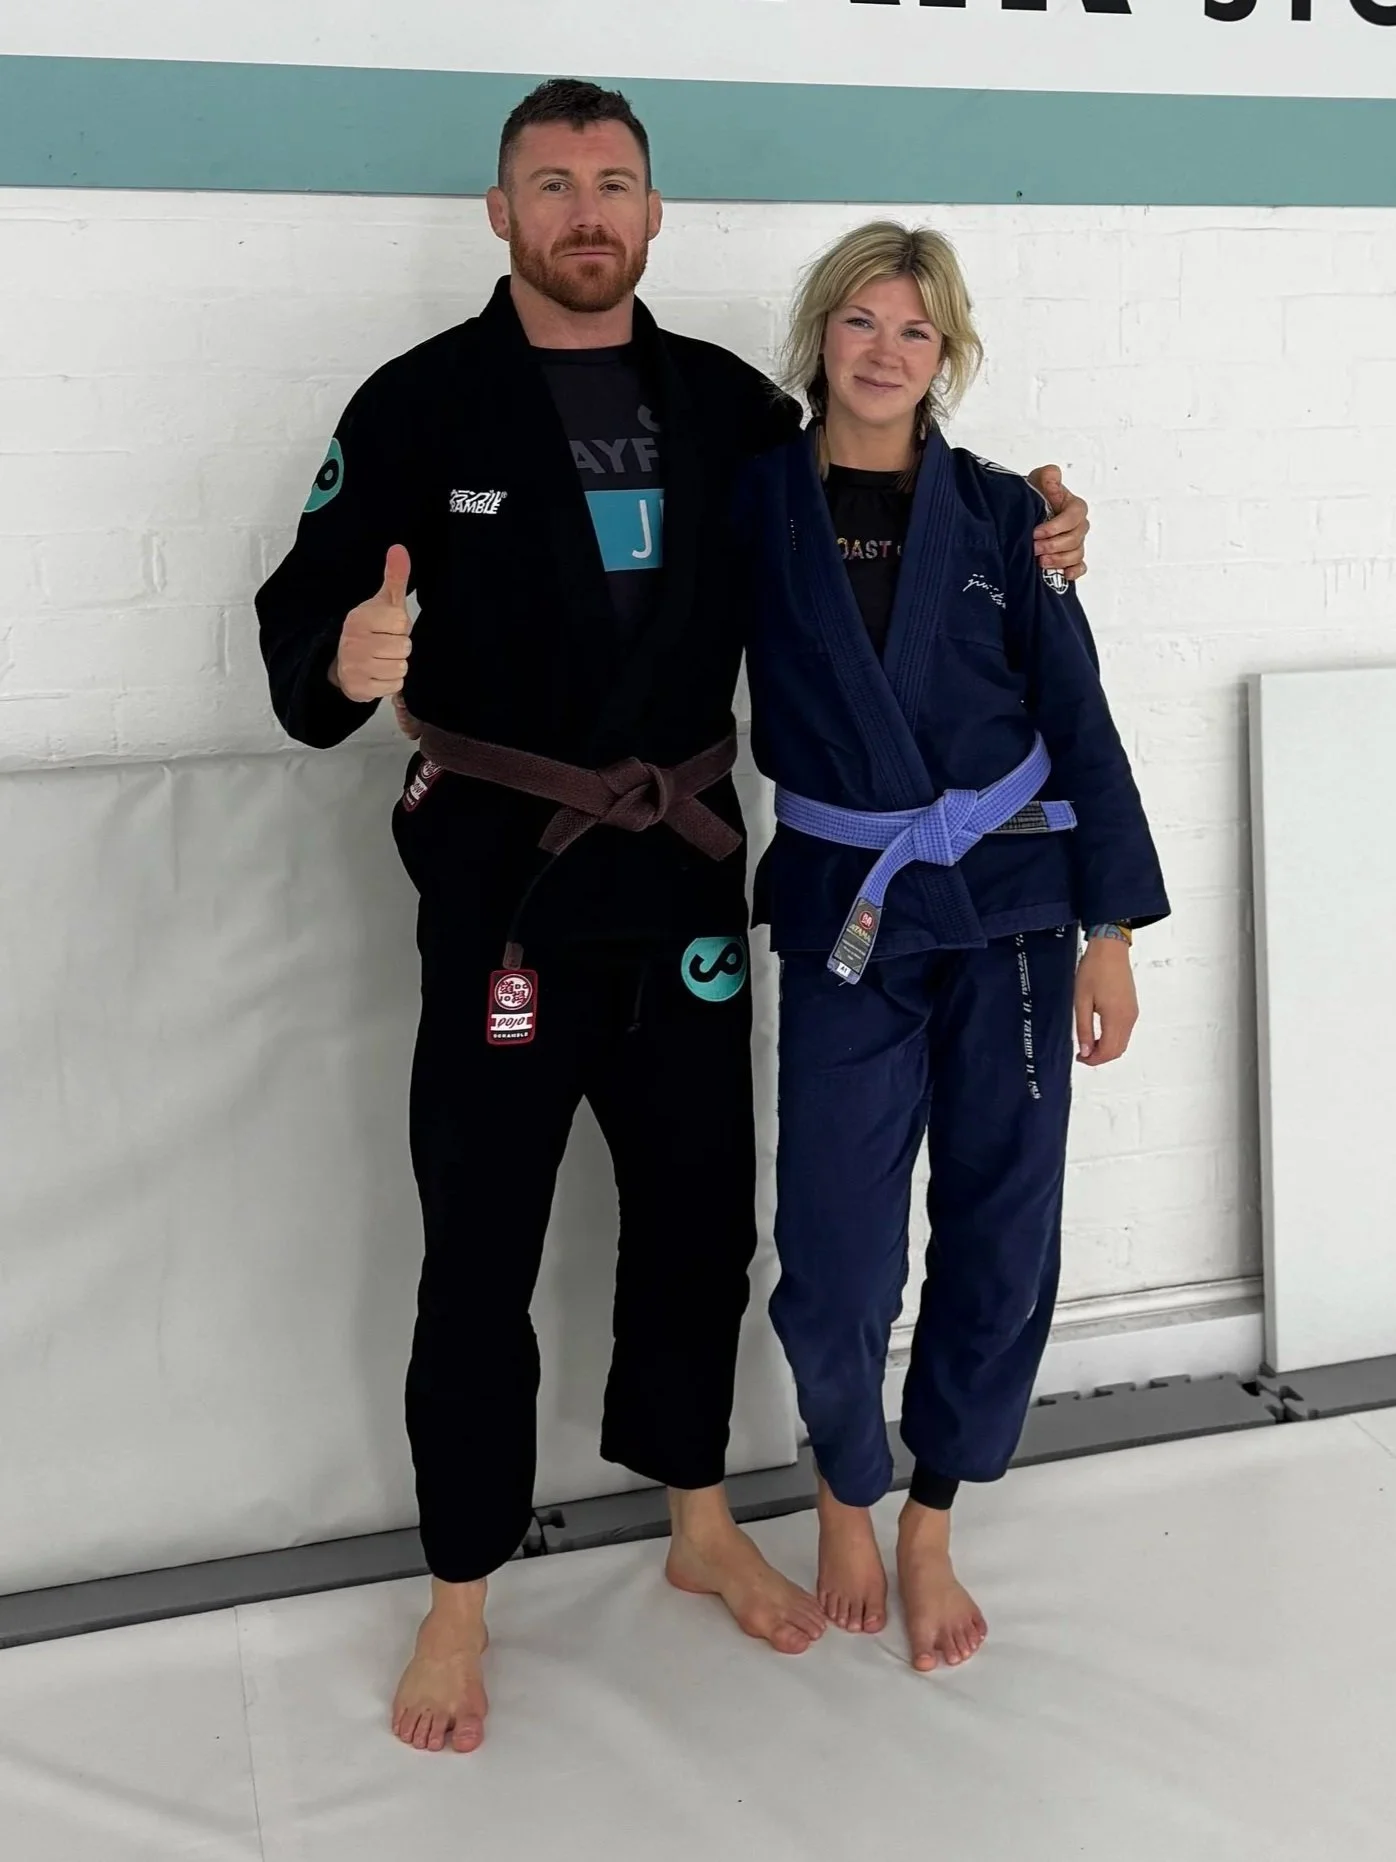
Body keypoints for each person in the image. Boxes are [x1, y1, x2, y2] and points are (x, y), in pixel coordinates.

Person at [256, 82, 1092, 1755]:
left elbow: (895, 502)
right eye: (551, 182)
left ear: (654, 215)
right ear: (501, 214)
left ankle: (699, 1517)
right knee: (481, 1244)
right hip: (506, 887)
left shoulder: (725, 412)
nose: (586, 207)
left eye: (614, 183)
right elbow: (305, 603)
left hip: (692, 875)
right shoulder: (420, 404)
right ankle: (460, 1591)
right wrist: (338, 666)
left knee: (701, 1217)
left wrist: (1041, 523)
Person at [739, 223, 1169, 1675]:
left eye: (913, 332)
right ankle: (841, 1487)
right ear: (820, 337)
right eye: (858, 322)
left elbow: (1080, 718)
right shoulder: (757, 503)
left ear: (947, 356)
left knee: (1002, 1222)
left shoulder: (1003, 517)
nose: (881, 350)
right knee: (839, 1243)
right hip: (848, 909)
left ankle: (928, 1514)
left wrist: (1109, 929)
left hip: (1017, 914)